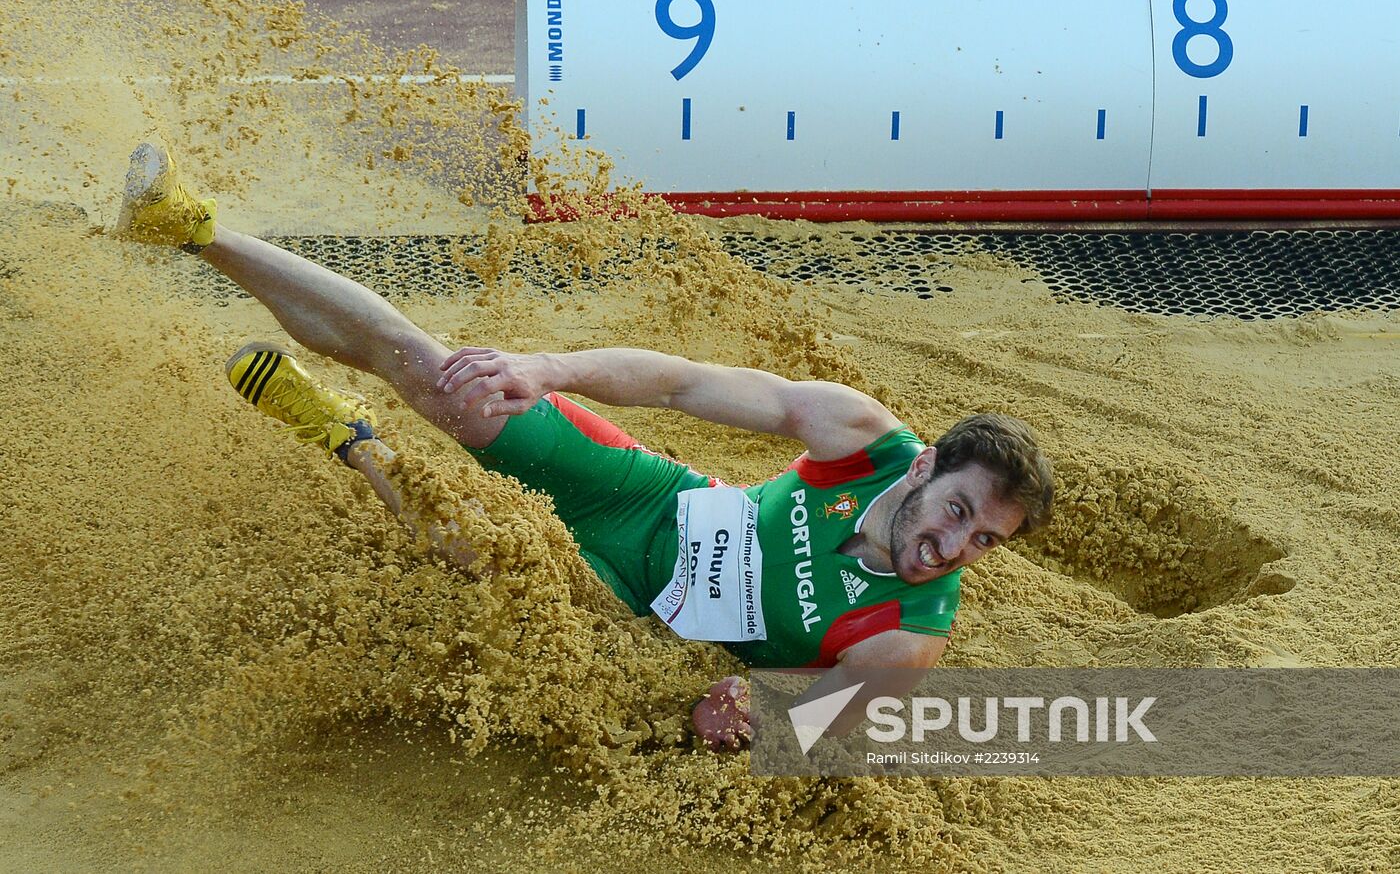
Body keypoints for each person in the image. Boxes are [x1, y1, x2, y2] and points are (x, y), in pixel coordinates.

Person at [115, 142, 1055, 750]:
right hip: (643, 495)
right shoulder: (862, 435)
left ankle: (348, 438)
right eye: (960, 511)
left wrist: (747, 711)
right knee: (444, 375)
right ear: (927, 465)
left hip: (628, 613)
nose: (953, 545)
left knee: (482, 557)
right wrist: (544, 366)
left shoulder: (907, 636)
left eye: (983, 542)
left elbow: (816, 726)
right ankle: (195, 229)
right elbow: (685, 381)